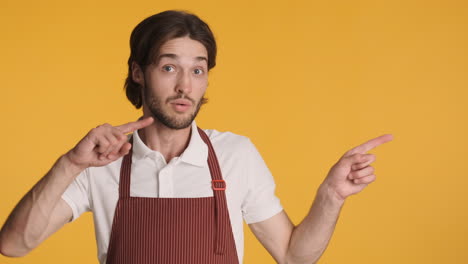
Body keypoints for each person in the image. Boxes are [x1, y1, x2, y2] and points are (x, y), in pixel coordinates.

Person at [0, 10, 393, 264]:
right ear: (139, 72)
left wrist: (331, 196)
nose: (185, 86)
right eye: (169, 68)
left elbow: (293, 255)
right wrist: (69, 164)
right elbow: (14, 245)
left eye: (198, 70)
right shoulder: (100, 162)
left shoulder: (236, 154)